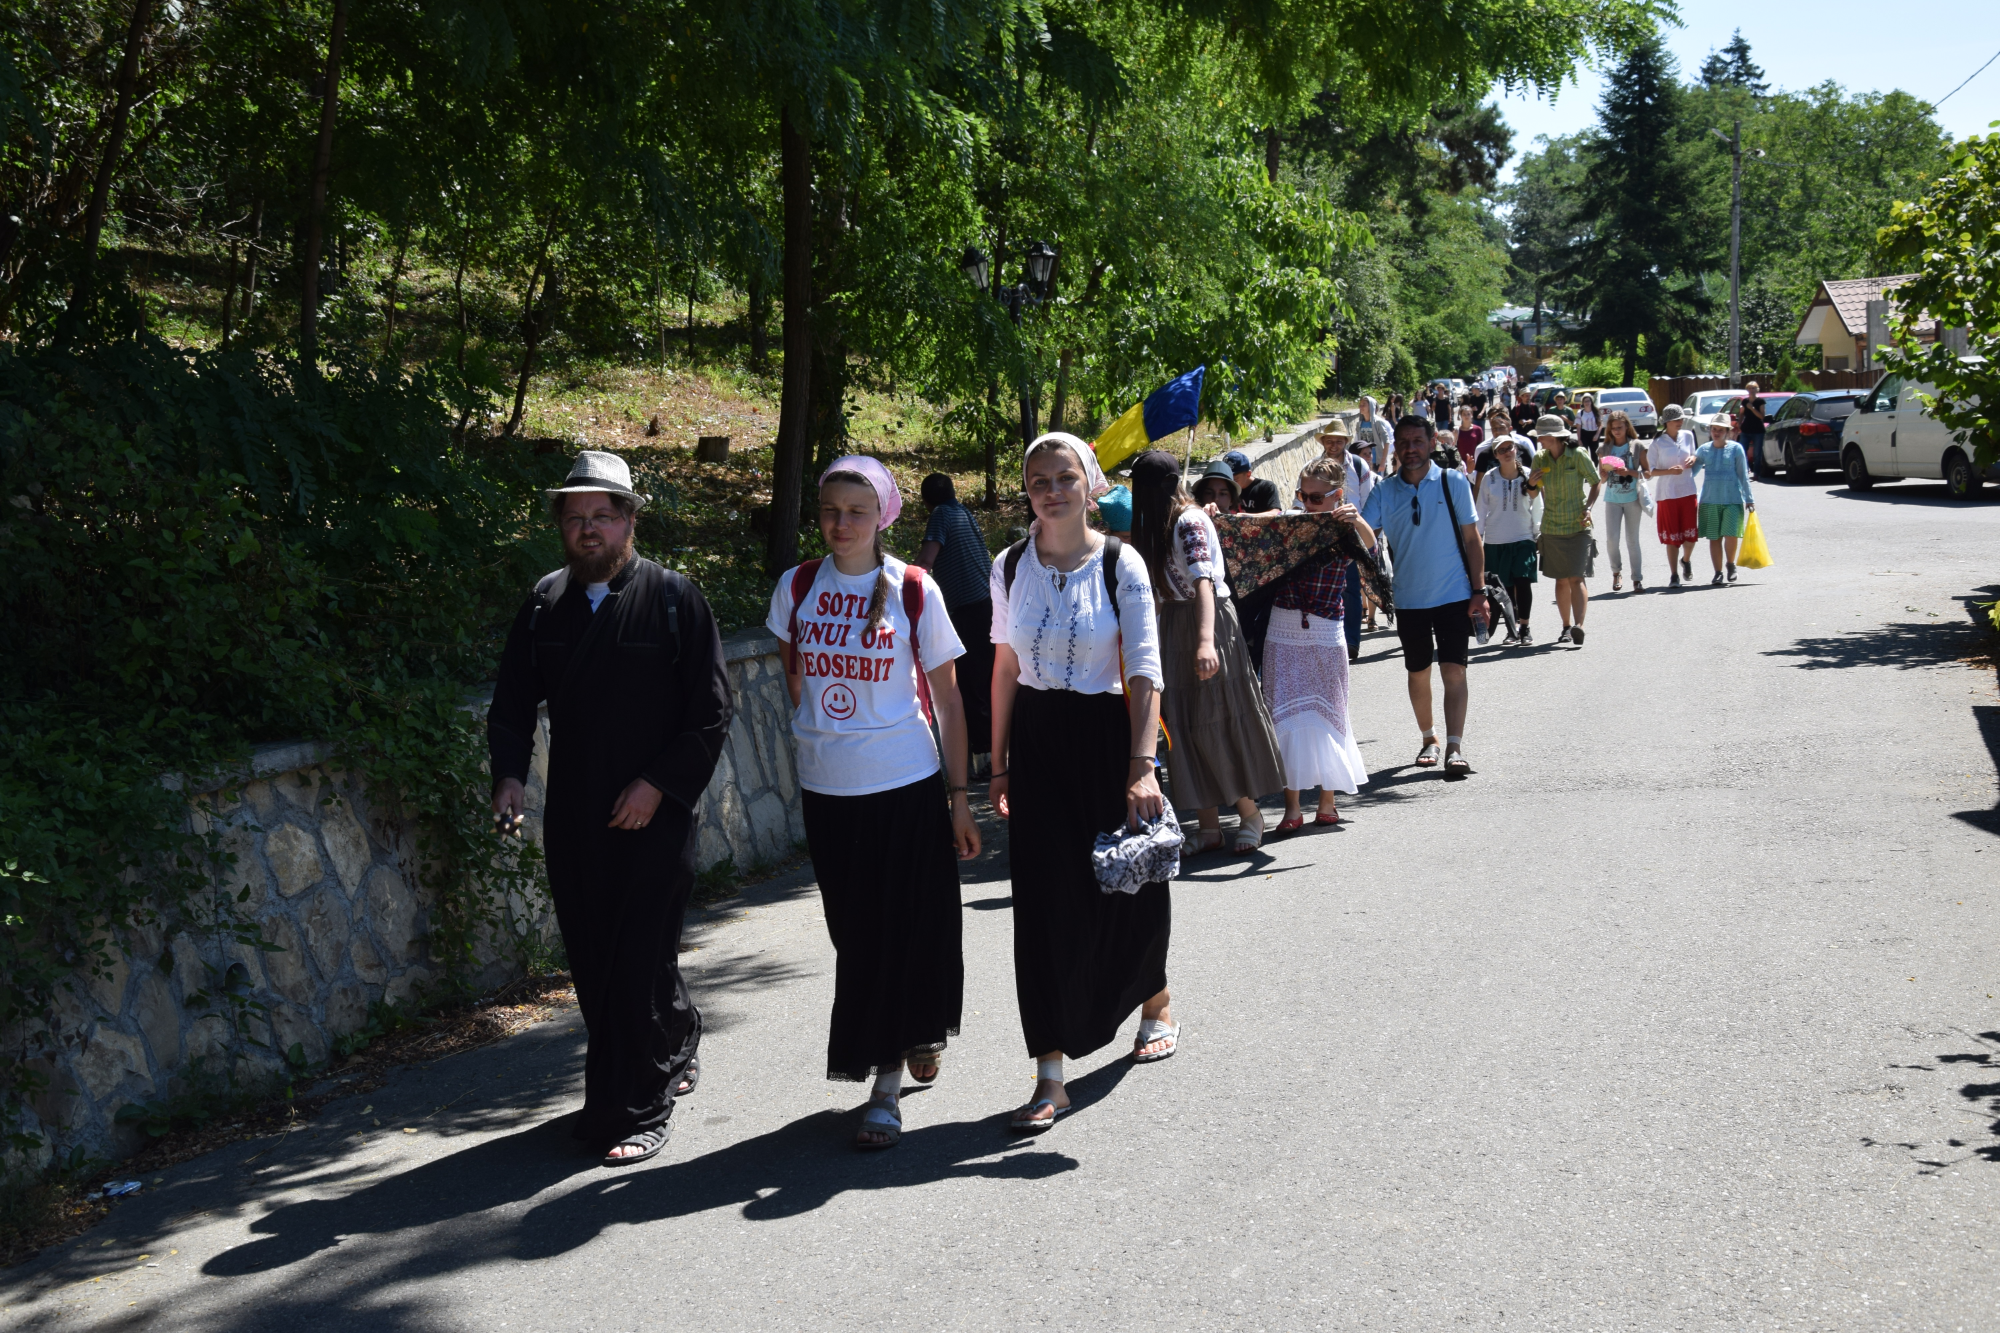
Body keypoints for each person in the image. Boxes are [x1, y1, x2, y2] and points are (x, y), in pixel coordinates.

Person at [487, 450, 733, 1166]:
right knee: (599, 958)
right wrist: (509, 777)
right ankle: (675, 1038)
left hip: (656, 816)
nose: (588, 528)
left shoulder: (673, 598)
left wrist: (657, 784)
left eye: (602, 515)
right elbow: (510, 705)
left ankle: (638, 1106)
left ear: (629, 520)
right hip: (575, 813)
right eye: (576, 517)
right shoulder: (543, 604)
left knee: (636, 954)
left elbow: (711, 713)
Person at [768, 458, 980, 1150]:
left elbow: (947, 699)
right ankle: (911, 1027)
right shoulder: (796, 587)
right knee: (855, 935)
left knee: (903, 927)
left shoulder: (913, 589)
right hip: (829, 793)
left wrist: (958, 798)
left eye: (857, 512)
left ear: (882, 517)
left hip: (906, 785)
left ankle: (885, 1087)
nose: (841, 524)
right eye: (830, 509)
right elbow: (794, 677)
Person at [988, 433, 1174, 1133]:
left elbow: (1146, 670)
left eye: (1065, 477)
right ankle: (1048, 1070)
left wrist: (1141, 764)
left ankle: (1153, 999)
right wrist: (998, 763)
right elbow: (1005, 668)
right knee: (1041, 907)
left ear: (1089, 484)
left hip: (1106, 740)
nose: (1051, 489)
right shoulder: (1009, 565)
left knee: (1124, 889)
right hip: (1037, 743)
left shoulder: (1121, 564)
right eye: (1038, 479)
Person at [1131, 450, 1286, 855]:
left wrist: (1204, 642)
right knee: (1183, 725)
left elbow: (1203, 583)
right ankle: (1209, 826)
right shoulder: (1163, 524)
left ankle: (1250, 814)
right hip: (1175, 626)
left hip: (1208, 622)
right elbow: (1163, 592)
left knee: (1215, 721)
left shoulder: (1189, 521)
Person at [1359, 416, 1487, 779]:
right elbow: (1368, 536)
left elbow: (1472, 539)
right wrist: (1351, 518)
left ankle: (1454, 746)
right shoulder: (1384, 491)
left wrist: (1478, 592)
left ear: (1432, 443)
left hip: (1454, 595)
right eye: (1403, 443)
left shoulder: (1452, 481)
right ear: (1394, 448)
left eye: (1417, 441)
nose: (1410, 449)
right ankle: (1429, 738)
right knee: (1418, 673)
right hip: (1410, 599)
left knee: (1454, 671)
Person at [1262, 456, 1373, 830]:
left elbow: (1371, 553)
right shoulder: (1291, 524)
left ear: (1337, 496)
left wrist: (1355, 519)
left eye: (1315, 498)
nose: (1307, 503)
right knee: (1284, 713)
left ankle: (1328, 801)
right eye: (1302, 495)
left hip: (1326, 630)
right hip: (1284, 627)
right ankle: (1292, 808)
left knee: (1330, 713)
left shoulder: (1345, 528)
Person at [914, 473, 995, 766]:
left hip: (966, 609)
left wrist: (901, 584)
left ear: (926, 501)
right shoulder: (963, 512)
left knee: (969, 684)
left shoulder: (939, 515)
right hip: (987, 605)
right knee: (984, 682)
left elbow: (925, 561)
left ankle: (983, 759)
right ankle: (994, 754)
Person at [1528, 414, 1601, 647]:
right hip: (1552, 527)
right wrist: (1531, 483)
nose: (1538, 440)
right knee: (1561, 580)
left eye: (1541, 436)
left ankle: (1579, 626)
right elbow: (1532, 493)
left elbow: (1596, 481)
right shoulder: (1540, 458)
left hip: (1578, 525)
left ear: (1553, 437)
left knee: (1576, 577)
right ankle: (1566, 627)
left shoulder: (1578, 455)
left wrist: (1588, 507)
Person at [1476, 434, 1541, 645]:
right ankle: (1511, 630)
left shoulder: (1528, 475)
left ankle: (1525, 627)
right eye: (1501, 450)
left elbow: (1537, 505)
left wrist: (1538, 533)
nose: (1506, 452)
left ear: (1516, 450)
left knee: (1523, 581)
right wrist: (1477, 538)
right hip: (1495, 540)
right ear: (1495, 454)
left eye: (1509, 448)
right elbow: (1481, 509)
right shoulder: (1490, 478)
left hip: (1523, 537)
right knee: (1503, 588)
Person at [1319, 419, 1374, 656]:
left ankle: (1351, 642)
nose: (1334, 445)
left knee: (1352, 588)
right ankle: (1331, 640)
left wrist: (1368, 533)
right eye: (1329, 440)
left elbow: (1370, 501)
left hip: (1353, 534)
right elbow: (1302, 500)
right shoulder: (1313, 467)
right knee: (1329, 588)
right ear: (1323, 442)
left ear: (1345, 442)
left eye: (1338, 440)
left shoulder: (1359, 466)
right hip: (1326, 536)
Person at [1690, 415, 1755, 585]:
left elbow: (1743, 475)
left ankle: (1730, 565)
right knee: (1714, 537)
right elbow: (1691, 473)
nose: (1717, 432)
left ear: (1728, 432)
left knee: (1731, 534)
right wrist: (1687, 463)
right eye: (1714, 429)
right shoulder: (1703, 450)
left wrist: (1749, 499)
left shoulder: (1736, 449)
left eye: (1720, 430)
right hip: (1710, 500)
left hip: (1732, 499)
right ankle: (1718, 572)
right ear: (1710, 431)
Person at [1646, 404, 1700, 586]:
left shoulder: (1688, 436)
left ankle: (1686, 560)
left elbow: (1693, 455)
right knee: (1672, 536)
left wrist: (1693, 458)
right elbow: (1651, 471)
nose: (1681, 422)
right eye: (1677, 419)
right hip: (1668, 494)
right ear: (1667, 422)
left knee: (1690, 535)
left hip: (1687, 490)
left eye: (1681, 419)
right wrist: (1668, 471)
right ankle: (1674, 575)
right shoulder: (1657, 443)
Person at [1595, 410, 1648, 593]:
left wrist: (1629, 473)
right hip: (1612, 499)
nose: (1617, 431)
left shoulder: (1637, 446)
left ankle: (1637, 579)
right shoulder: (1604, 449)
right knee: (1611, 540)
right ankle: (1616, 572)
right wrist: (1602, 474)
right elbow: (1601, 480)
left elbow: (1647, 473)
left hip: (1633, 498)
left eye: (1620, 427)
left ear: (1627, 427)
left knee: (1632, 540)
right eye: (1613, 428)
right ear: (1609, 429)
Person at [1223, 449, 1283, 515]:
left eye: (1235, 479)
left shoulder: (1266, 487)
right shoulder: (1222, 488)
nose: (1230, 483)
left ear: (1248, 474)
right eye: (1227, 478)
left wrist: (1246, 517)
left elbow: (1275, 513)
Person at [1352, 396, 1394, 472]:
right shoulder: (1359, 424)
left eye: (1364, 404)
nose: (1360, 406)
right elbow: (1358, 442)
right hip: (1364, 462)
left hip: (1377, 462)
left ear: (1371, 406)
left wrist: (1383, 462)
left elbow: (1387, 442)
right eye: (1360, 404)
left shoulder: (1378, 422)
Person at [1738, 380, 1767, 475]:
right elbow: (1741, 413)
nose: (1751, 390)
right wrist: (1739, 423)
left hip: (1758, 431)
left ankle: (1757, 474)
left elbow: (1762, 416)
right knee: (1742, 451)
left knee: (1757, 454)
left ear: (1757, 389)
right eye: (1749, 388)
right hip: (1746, 430)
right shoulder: (1745, 401)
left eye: (1753, 388)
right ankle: (1746, 469)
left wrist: (1752, 409)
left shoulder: (1760, 401)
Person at [1453, 405, 1483, 470]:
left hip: (1473, 461)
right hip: (1460, 462)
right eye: (1464, 414)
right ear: (1461, 416)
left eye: (1468, 414)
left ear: (1472, 415)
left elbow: (1480, 447)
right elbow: (1453, 446)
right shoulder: (1456, 430)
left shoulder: (1478, 429)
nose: (1466, 416)